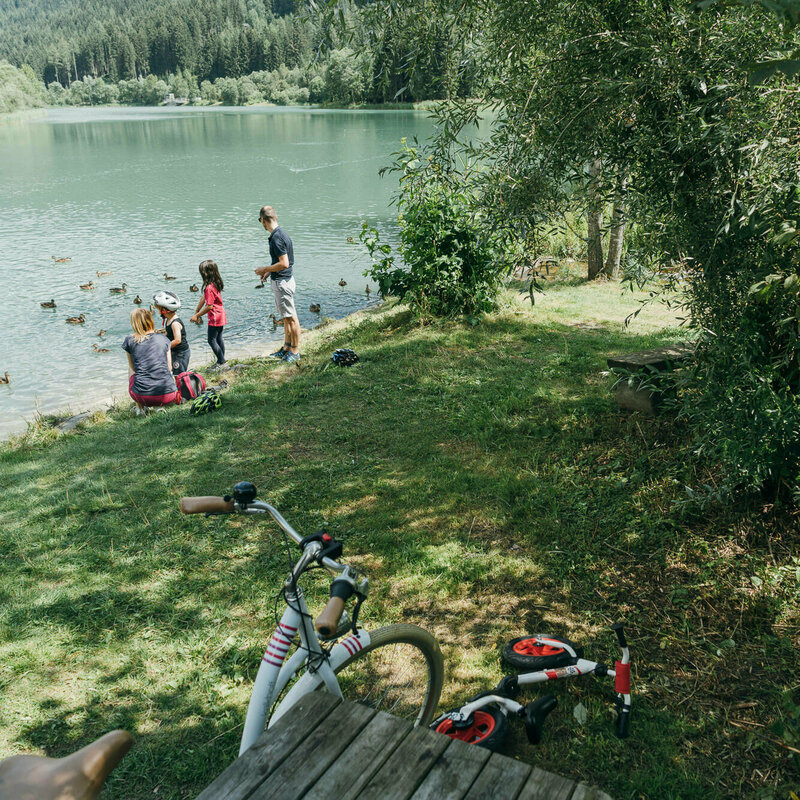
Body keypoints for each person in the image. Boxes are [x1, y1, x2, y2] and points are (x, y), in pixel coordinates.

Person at [255, 206, 300, 363]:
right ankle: (287, 348)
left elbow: (284, 263)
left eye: (260, 221)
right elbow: (280, 261)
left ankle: (294, 351)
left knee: (291, 318)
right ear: (275, 217)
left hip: (283, 282)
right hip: (282, 279)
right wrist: (269, 273)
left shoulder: (276, 238)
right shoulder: (281, 233)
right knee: (286, 318)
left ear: (263, 220)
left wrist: (264, 269)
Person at [122, 308, 181, 411]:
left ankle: (140, 408)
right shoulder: (164, 339)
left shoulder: (130, 340)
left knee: (132, 369)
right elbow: (169, 367)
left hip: (142, 397)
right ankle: (159, 406)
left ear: (134, 323)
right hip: (168, 394)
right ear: (150, 320)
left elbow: (134, 368)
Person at [191, 259, 228, 370]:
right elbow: (204, 298)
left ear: (205, 273)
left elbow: (209, 306)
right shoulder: (215, 284)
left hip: (215, 317)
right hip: (221, 314)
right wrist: (197, 310)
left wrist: (197, 315)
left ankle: (222, 362)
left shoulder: (209, 288)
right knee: (219, 338)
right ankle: (221, 360)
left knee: (211, 340)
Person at [153, 290, 190, 375]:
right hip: (174, 351)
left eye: (159, 309)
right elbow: (168, 334)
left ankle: (182, 383)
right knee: (172, 372)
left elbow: (177, 340)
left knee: (179, 374)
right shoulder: (169, 319)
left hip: (181, 353)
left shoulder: (175, 323)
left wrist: (165, 347)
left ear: (165, 310)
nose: (158, 311)